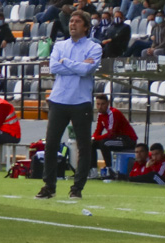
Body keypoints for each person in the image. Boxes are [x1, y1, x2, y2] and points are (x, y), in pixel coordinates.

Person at [37, 11, 101, 200]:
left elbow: (87, 69)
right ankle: (49, 185)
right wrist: (76, 65)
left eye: (77, 21)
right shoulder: (60, 45)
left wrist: (66, 62)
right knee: (51, 144)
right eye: (71, 21)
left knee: (84, 146)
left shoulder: (94, 47)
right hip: (59, 100)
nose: (72, 24)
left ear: (86, 26)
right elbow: (54, 67)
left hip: (81, 101)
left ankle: (77, 187)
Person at [92, 93, 138, 175]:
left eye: (102, 104)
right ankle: (93, 170)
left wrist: (96, 138)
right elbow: (97, 131)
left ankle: (109, 169)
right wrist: (93, 138)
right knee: (91, 143)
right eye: (98, 104)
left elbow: (110, 134)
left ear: (108, 103)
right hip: (117, 139)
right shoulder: (100, 114)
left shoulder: (112, 113)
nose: (100, 107)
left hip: (127, 140)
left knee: (104, 143)